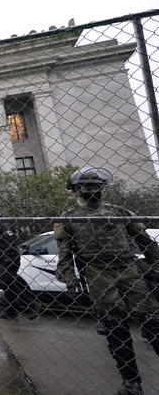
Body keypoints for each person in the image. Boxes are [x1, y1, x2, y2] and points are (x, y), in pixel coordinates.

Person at [54, 167, 159, 395]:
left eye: (95, 185)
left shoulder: (118, 211)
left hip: (127, 267)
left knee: (152, 320)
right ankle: (132, 382)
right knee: (115, 326)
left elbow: (145, 241)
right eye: (86, 186)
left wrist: (156, 267)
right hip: (97, 271)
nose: (92, 189)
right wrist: (69, 276)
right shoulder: (69, 217)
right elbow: (65, 251)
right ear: (76, 190)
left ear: (102, 188)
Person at [0, 211, 39, 320]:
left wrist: (7, 258)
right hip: (1, 260)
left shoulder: (4, 226)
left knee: (9, 284)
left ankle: (32, 304)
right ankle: (11, 312)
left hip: (8, 260)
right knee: (7, 286)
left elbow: (9, 243)